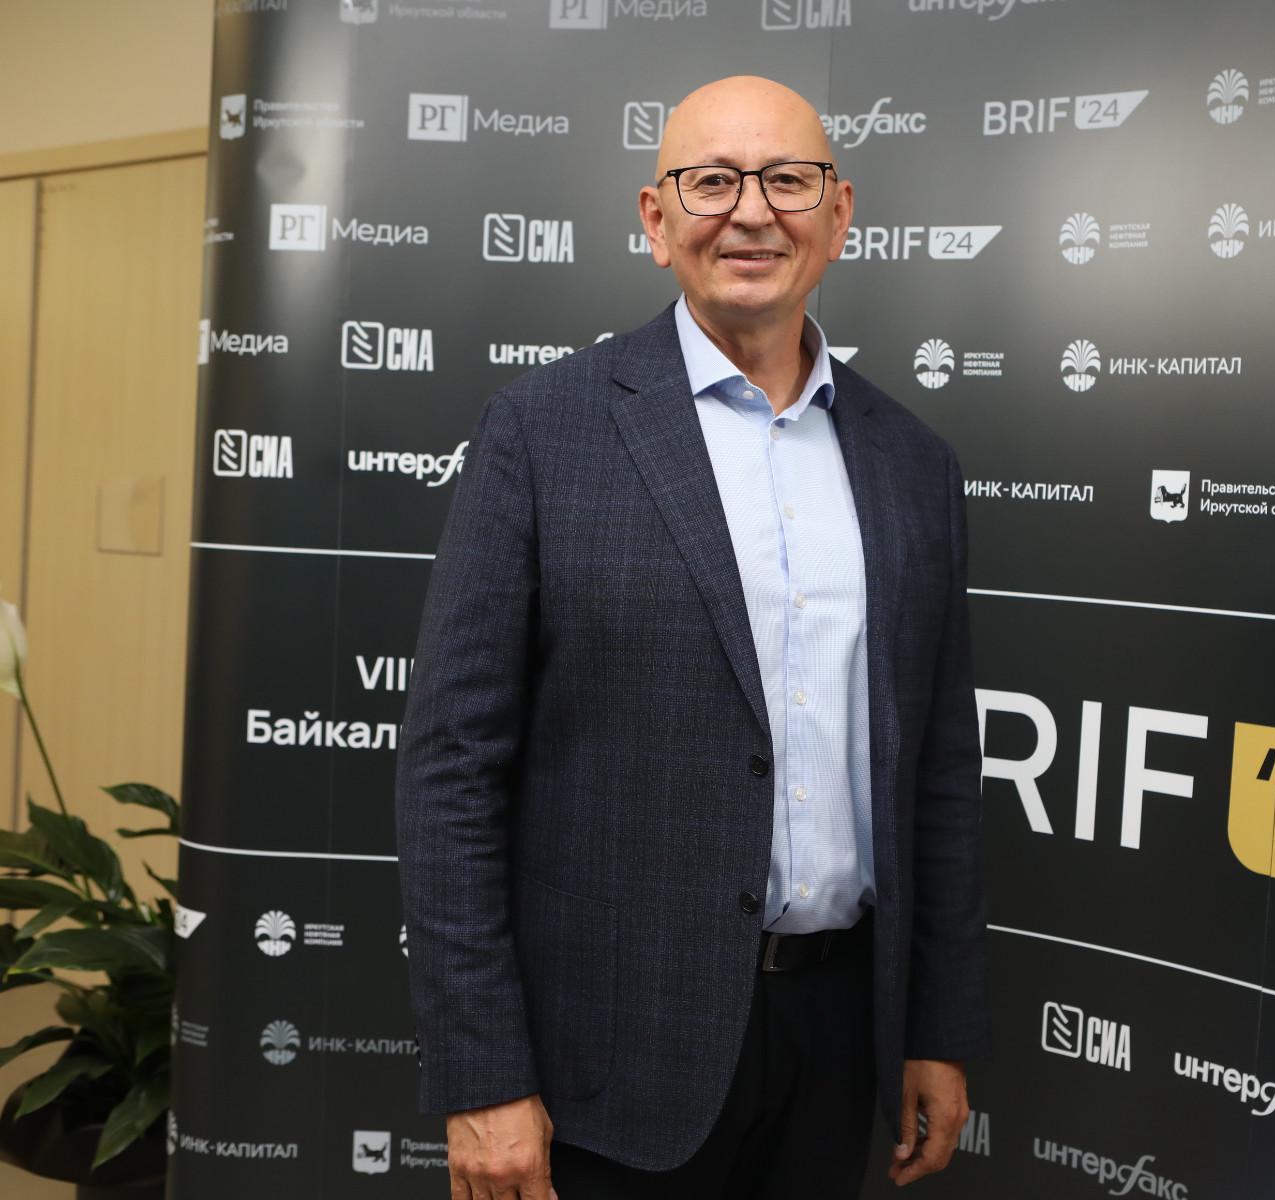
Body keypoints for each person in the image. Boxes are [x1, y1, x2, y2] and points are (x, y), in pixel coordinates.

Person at [394, 75, 990, 1199]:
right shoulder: (543, 432)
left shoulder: (915, 463)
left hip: (838, 1043)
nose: (752, 212)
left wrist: (936, 1026)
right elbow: (451, 772)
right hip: (607, 1062)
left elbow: (941, 775)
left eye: (788, 181)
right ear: (656, 218)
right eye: (712, 181)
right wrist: (483, 1073)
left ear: (839, 215)